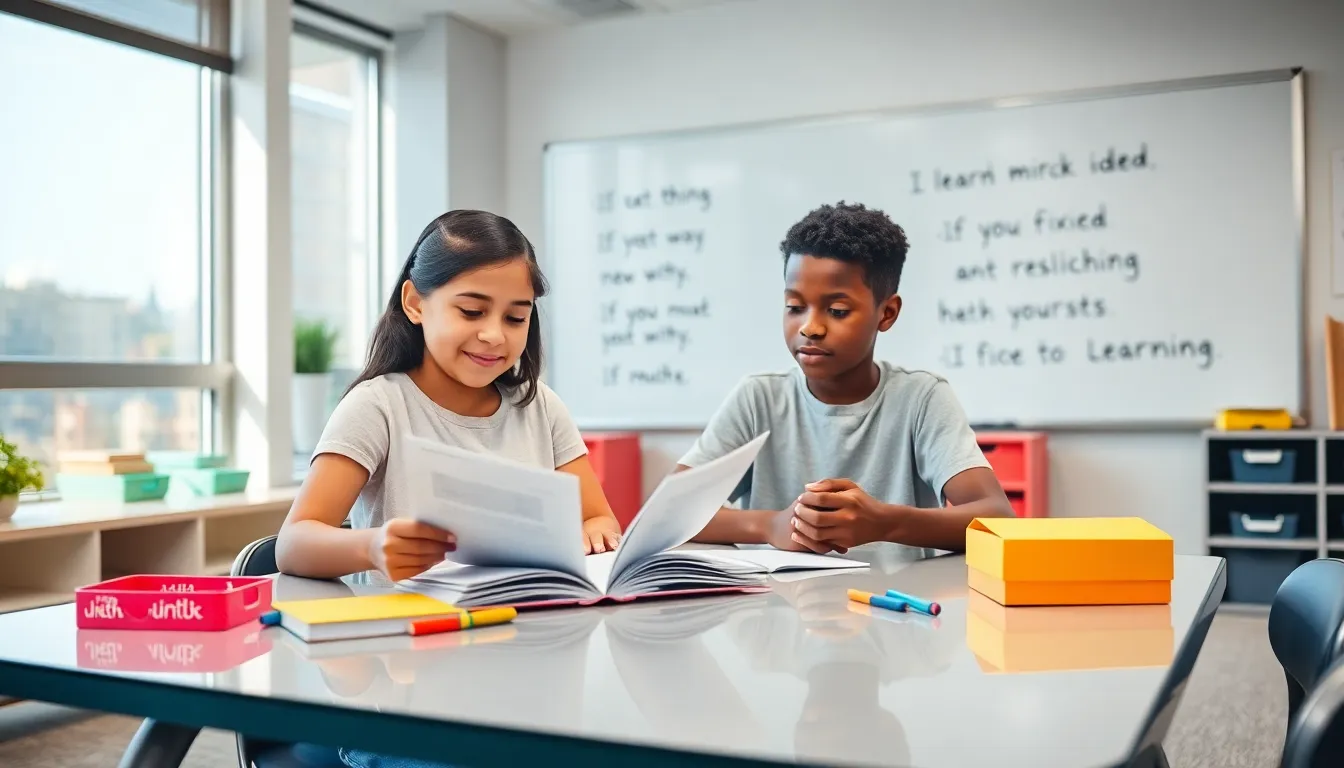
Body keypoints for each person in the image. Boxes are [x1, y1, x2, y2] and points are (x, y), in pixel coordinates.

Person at [275, 209, 622, 590]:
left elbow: (597, 519)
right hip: (409, 636)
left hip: (526, 630)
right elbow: (293, 545)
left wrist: (597, 534)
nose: (493, 334)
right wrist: (372, 546)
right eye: (472, 312)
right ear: (415, 303)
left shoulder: (540, 405)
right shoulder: (378, 406)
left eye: (515, 318)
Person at [677, 201, 1012, 568]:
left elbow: (996, 518)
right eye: (794, 306)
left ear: (887, 313)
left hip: (897, 614)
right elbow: (671, 512)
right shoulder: (759, 398)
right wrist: (770, 525)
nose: (810, 327)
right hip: (772, 614)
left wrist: (884, 522)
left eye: (836, 311)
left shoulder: (921, 398)